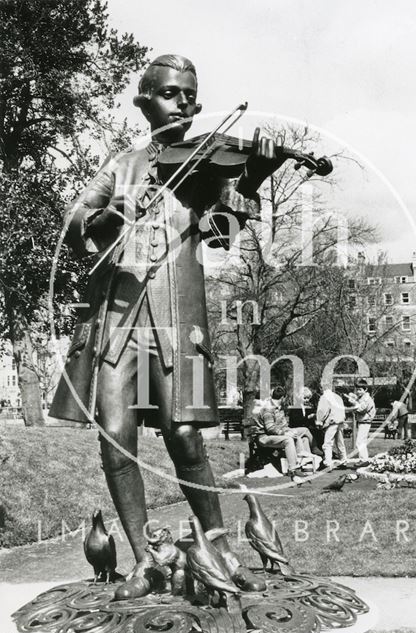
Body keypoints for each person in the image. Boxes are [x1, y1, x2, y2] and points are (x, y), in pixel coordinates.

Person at [49, 54, 285, 599]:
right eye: (172, 93)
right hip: (118, 317)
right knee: (115, 436)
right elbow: (75, 219)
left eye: (190, 97)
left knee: (185, 437)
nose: (184, 104)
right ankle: (145, 559)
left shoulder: (203, 166)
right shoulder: (122, 165)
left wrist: (256, 173)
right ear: (145, 101)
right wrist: (110, 216)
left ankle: (220, 548)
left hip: (182, 322)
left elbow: (224, 232)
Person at [252, 386, 318, 478]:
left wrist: (290, 431)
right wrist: (285, 433)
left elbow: (283, 425)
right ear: (283, 398)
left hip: (276, 434)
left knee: (302, 434)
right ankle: (293, 469)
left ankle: (306, 461)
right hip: (264, 437)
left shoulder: (279, 408)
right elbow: (270, 428)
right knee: (288, 440)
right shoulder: (268, 409)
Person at [316, 383, 348, 469]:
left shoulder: (324, 397)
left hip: (332, 421)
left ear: (322, 388)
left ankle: (327, 462)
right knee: (340, 442)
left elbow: (322, 411)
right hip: (340, 421)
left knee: (327, 443)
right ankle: (344, 460)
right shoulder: (338, 397)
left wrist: (319, 421)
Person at [345, 379, 376, 464]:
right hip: (363, 421)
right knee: (361, 441)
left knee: (360, 441)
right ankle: (363, 459)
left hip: (365, 422)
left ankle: (364, 460)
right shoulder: (362, 398)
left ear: (365, 389)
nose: (358, 392)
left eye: (360, 390)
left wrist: (353, 403)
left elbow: (361, 409)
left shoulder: (367, 399)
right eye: (357, 389)